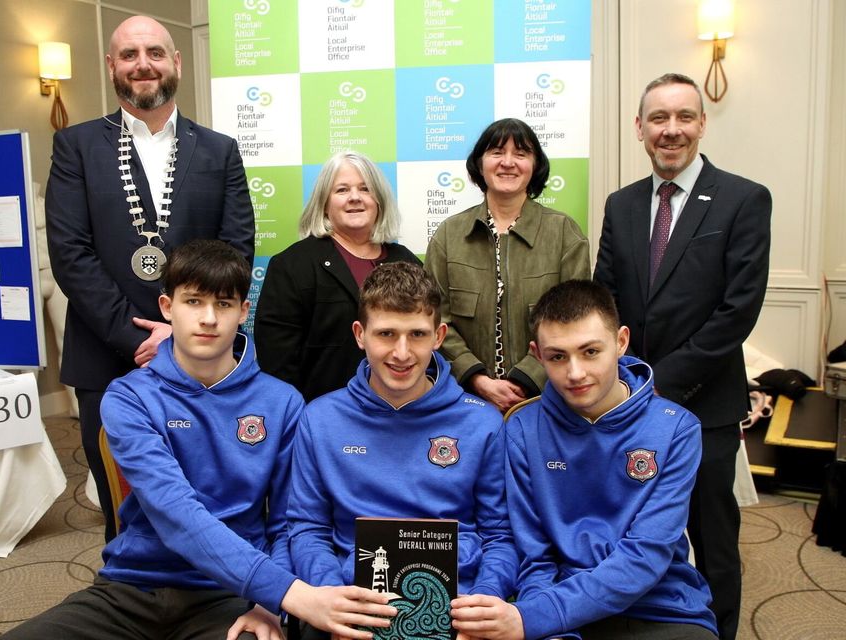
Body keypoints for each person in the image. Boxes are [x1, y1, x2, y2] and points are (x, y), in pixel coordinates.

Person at [1, 239, 396, 640]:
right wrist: (289, 593)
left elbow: (285, 525)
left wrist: (268, 601)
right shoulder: (129, 397)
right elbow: (176, 514)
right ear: (168, 308)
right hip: (133, 587)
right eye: (193, 302)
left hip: (233, 595)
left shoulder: (282, 403)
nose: (208, 318)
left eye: (224, 304)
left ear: (243, 312)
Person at [46, 15, 254, 542]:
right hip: (106, 353)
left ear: (176, 63)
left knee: (204, 493)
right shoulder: (76, 146)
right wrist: (138, 337)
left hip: (200, 358)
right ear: (113, 65)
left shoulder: (219, 149)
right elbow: (71, 254)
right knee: (120, 501)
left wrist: (180, 332)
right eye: (131, 54)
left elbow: (234, 251)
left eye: (156, 52)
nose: (144, 64)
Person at [593, 73, 771, 640]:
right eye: (659, 119)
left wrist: (660, 384)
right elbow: (606, 300)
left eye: (684, 117)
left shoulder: (744, 198)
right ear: (639, 128)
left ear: (701, 123)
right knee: (633, 529)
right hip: (628, 405)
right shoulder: (620, 204)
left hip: (703, 406)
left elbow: (737, 312)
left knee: (712, 535)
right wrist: (623, 381)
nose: (672, 130)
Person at [451, 279, 718, 640]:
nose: (575, 373)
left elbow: (645, 556)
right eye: (557, 357)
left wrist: (532, 618)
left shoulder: (676, 429)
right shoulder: (522, 428)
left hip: (660, 605)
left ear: (621, 342)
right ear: (538, 354)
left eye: (590, 352)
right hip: (553, 603)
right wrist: (545, 623)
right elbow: (535, 556)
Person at [288, 262, 518, 637]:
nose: (402, 352)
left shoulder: (482, 424)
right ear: (360, 335)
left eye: (417, 334)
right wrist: (331, 596)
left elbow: (500, 536)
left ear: (439, 336)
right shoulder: (320, 419)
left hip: (459, 607)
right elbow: (307, 528)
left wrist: (484, 603)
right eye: (387, 334)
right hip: (353, 606)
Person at [424, 118, 590, 414]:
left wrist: (526, 379)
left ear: (535, 165)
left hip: (548, 400)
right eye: (497, 152)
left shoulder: (565, 233)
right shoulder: (448, 235)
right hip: (464, 403)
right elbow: (435, 319)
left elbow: (575, 319)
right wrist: (475, 378)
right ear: (480, 162)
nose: (508, 163)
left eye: (521, 154)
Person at [254, 150, 421, 402]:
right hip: (320, 418)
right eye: (342, 190)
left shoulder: (406, 261)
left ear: (379, 200)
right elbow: (277, 364)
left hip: (401, 412)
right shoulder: (291, 266)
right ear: (324, 203)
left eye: (365, 189)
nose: (355, 198)